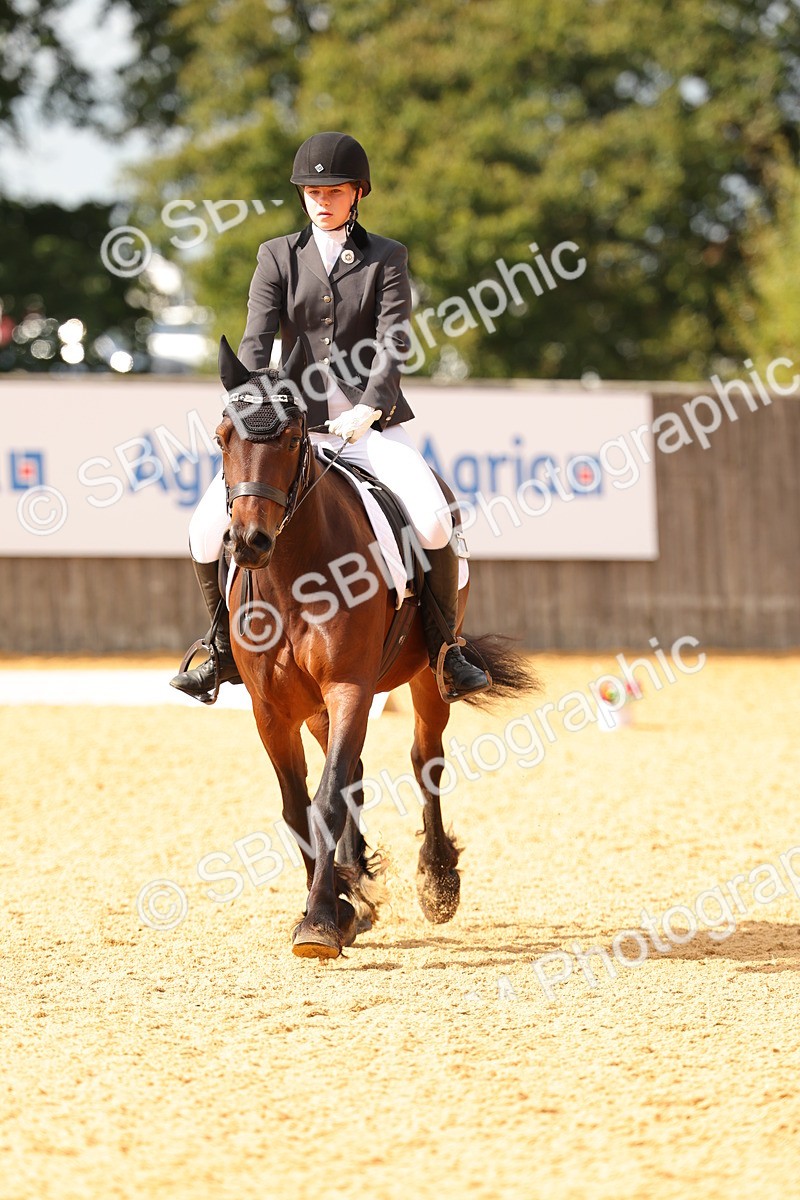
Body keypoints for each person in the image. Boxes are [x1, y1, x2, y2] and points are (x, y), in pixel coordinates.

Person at [171, 131, 488, 702]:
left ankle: (445, 651)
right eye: (312, 190)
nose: (322, 199)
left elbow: (393, 339)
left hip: (368, 426)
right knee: (201, 530)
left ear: (357, 194)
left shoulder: (385, 257)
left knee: (435, 520)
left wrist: (371, 404)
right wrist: (249, 403)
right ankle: (220, 649)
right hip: (291, 432)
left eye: (334, 190)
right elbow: (255, 338)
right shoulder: (276, 256)